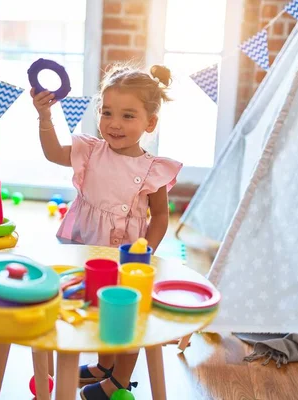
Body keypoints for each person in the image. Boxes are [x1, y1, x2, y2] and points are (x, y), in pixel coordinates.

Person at [31, 62, 182, 399]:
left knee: (125, 313)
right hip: (85, 242)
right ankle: (104, 365)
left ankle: (119, 380)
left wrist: (146, 251)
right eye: (108, 112)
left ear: (150, 123)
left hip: (126, 251)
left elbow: (159, 216)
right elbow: (53, 152)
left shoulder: (153, 168)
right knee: (96, 306)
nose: (114, 124)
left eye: (128, 116)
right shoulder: (91, 150)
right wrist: (44, 117)